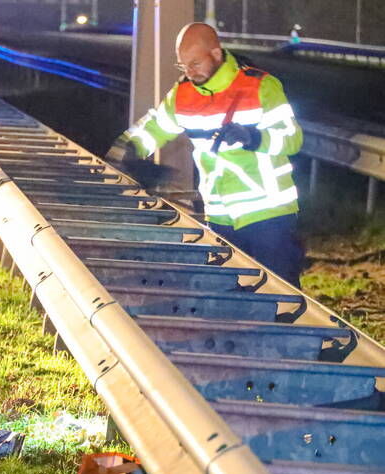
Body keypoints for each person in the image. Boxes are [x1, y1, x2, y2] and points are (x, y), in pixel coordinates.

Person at [107, 22, 305, 287]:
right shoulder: (183, 94)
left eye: (195, 63)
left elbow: (292, 138)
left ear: (215, 53)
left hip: (268, 215)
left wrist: (253, 137)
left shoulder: (260, 87)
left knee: (283, 298)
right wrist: (128, 151)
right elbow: (153, 128)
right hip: (219, 217)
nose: (189, 72)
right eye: (183, 65)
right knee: (233, 300)